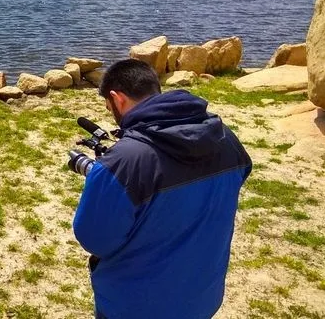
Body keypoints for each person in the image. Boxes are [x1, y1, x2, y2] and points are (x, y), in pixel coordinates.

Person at [73, 59, 252, 319]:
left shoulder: (124, 162)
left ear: (117, 99)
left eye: (109, 106)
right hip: (202, 297)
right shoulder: (226, 138)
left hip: (135, 306)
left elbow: (94, 240)